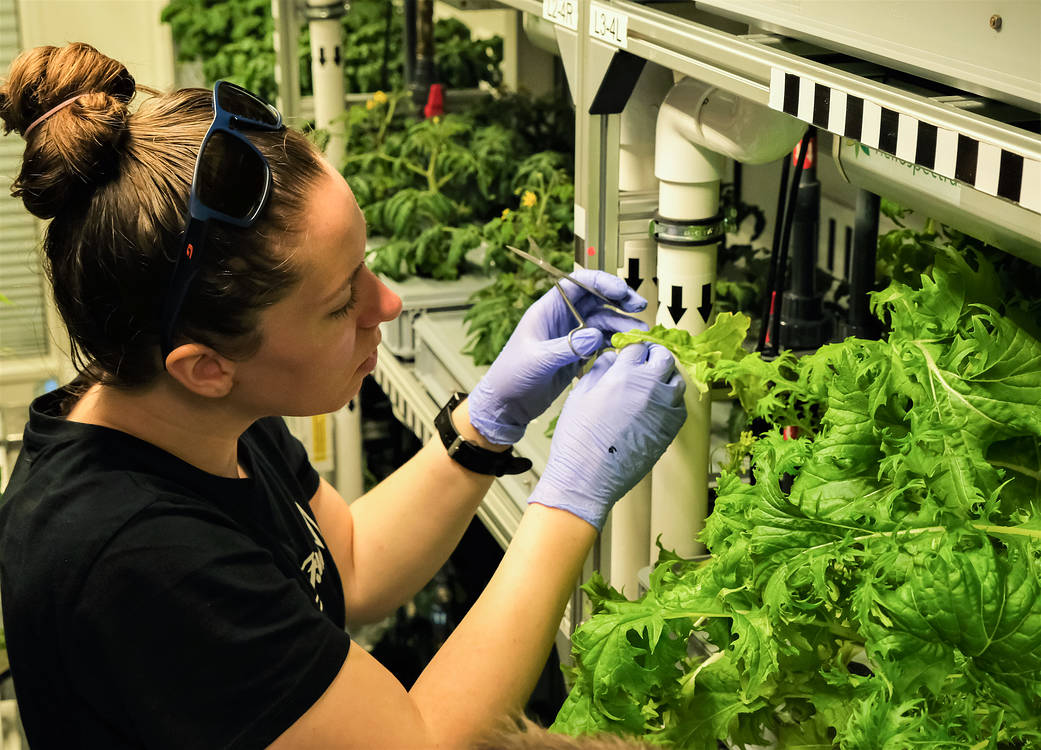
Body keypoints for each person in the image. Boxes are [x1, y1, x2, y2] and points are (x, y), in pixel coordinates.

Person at [0, 43, 686, 749]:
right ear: (204, 366)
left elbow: (347, 564)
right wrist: (570, 498)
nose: (386, 304)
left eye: (365, 265)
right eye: (339, 304)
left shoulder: (189, 413)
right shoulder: (134, 560)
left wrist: (485, 424)